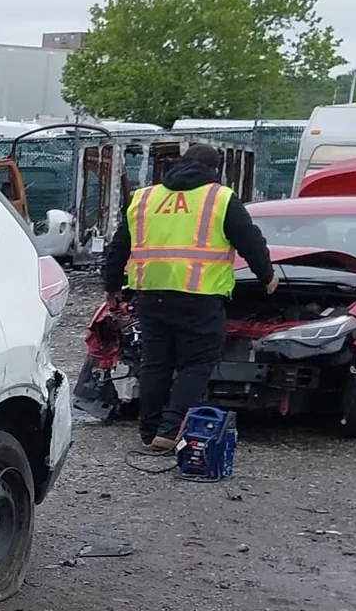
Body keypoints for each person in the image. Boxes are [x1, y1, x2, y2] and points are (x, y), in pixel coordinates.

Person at [101, 144, 276, 452]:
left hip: (151, 294)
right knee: (197, 363)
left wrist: (112, 286)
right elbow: (250, 241)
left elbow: (118, 247)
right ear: (215, 169)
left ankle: (150, 430)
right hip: (200, 296)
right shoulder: (219, 197)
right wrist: (267, 277)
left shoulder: (145, 197)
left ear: (180, 163)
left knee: (156, 363)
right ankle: (170, 429)